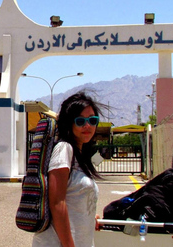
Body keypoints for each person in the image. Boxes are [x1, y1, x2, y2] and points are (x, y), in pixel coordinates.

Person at [32, 91, 107, 247]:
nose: (88, 126)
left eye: (93, 120)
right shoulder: (64, 149)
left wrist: (89, 217)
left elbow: (73, 198)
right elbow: (57, 203)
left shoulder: (80, 155)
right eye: (80, 121)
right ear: (69, 123)